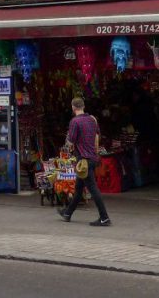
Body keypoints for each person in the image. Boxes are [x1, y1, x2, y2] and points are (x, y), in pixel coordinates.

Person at [58, 97, 111, 227]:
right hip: (92, 157)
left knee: (93, 188)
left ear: (73, 107)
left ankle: (104, 217)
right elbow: (97, 136)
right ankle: (67, 213)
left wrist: (68, 138)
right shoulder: (92, 120)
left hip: (83, 160)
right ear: (83, 106)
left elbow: (70, 142)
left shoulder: (75, 122)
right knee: (79, 188)